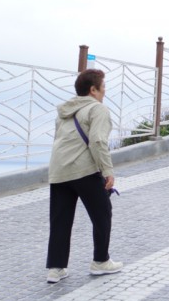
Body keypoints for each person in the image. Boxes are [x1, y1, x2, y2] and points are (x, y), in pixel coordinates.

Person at [45, 68, 123, 283]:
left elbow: (58, 139)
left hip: (58, 170)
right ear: (93, 90)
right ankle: (101, 261)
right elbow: (98, 141)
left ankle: (56, 268)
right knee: (102, 213)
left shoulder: (65, 111)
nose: (104, 91)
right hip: (84, 170)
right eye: (103, 86)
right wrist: (107, 171)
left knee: (60, 220)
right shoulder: (97, 109)